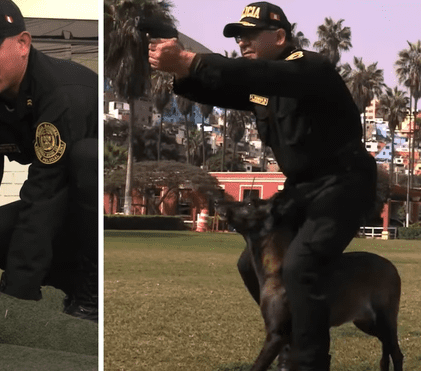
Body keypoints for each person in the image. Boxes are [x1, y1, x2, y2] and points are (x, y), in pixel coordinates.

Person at [149, 2, 377, 370]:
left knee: (300, 266)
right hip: (302, 188)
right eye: (238, 36)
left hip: (344, 185)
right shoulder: (263, 85)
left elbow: (262, 75)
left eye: (250, 34)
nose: (242, 41)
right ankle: (286, 332)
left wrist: (191, 59)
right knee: (249, 263)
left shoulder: (311, 68)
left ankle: (306, 360)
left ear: (280, 37)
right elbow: (223, 85)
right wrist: (182, 69)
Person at [0, 0, 98, 321]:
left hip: (100, 212)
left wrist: (18, 297)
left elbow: (44, 196)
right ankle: (62, 283)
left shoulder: (62, 94)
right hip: (65, 210)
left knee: (86, 158)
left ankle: (91, 296)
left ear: (23, 44)